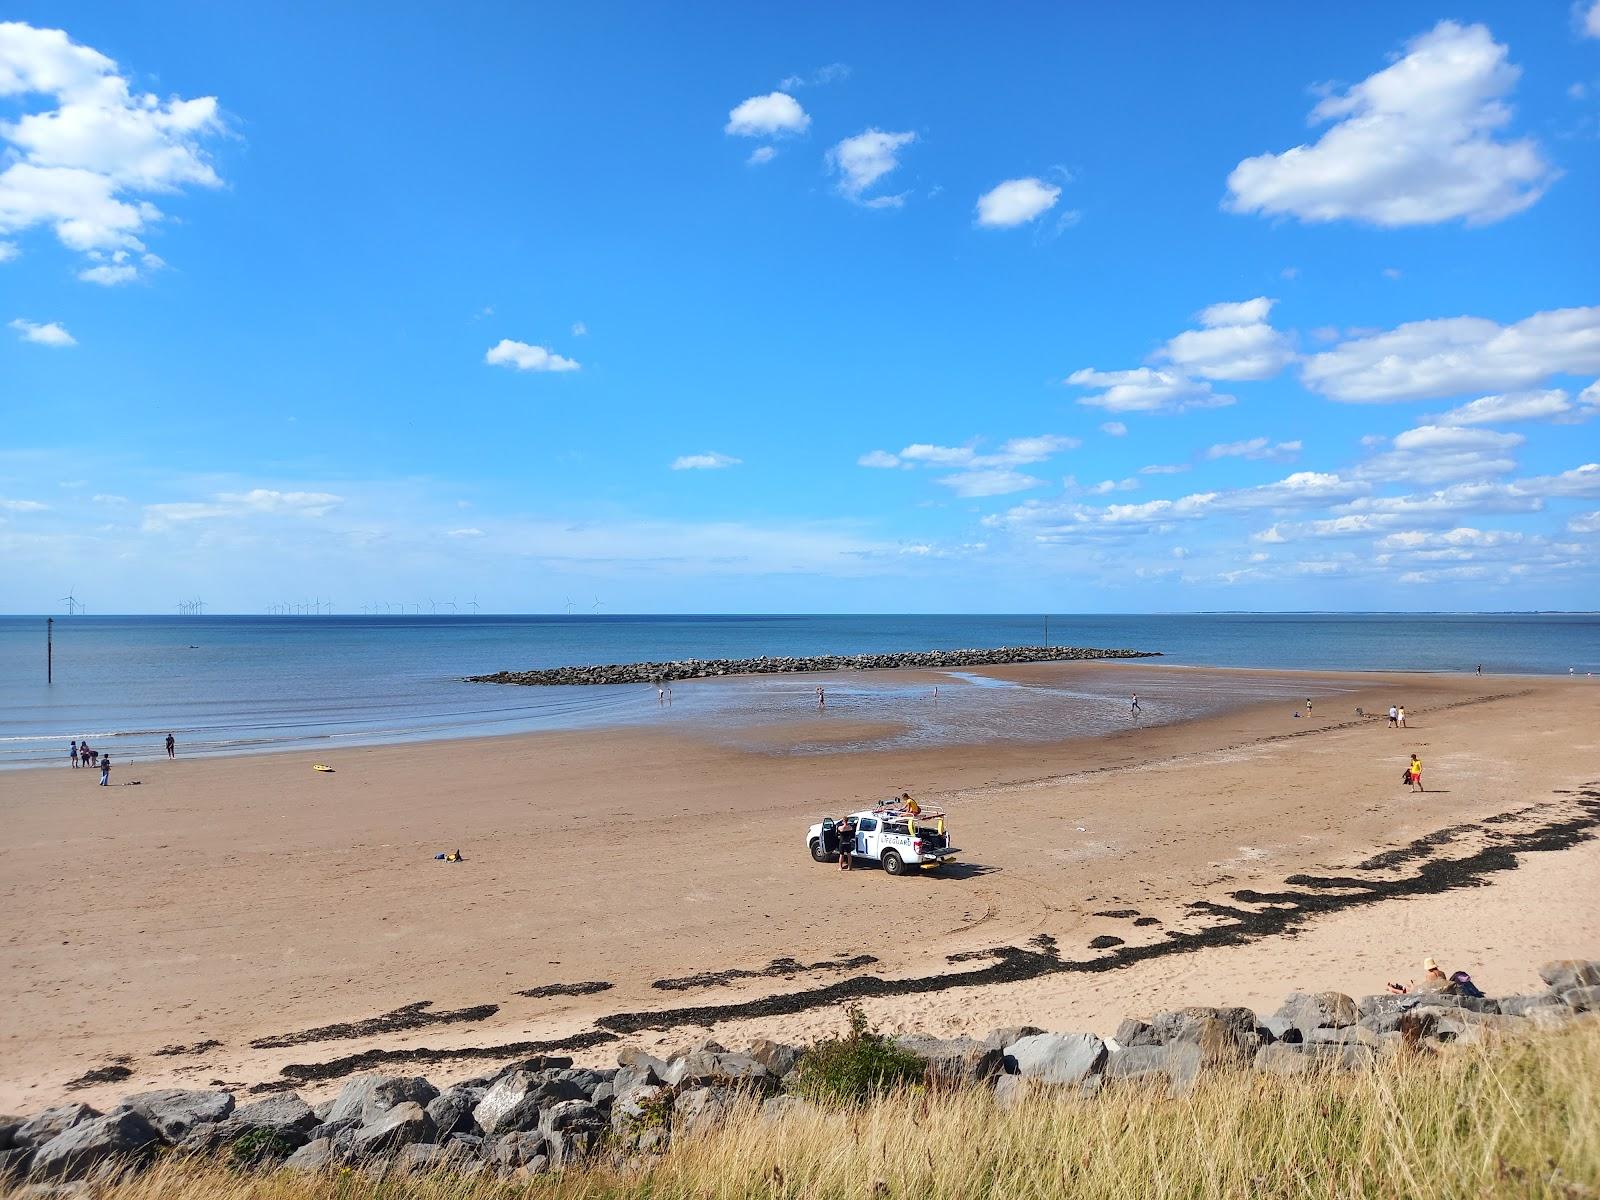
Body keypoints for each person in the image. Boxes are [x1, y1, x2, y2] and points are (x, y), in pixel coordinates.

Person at [1387, 957, 1453, 996]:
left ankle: (1392, 989)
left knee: (1410, 992)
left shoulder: (1430, 975)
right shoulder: (1442, 973)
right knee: (1411, 989)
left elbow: (1428, 988)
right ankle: (1407, 986)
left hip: (1432, 993)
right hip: (1441, 991)